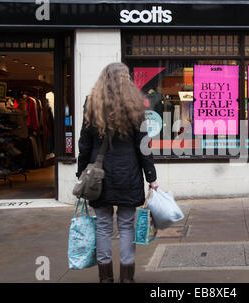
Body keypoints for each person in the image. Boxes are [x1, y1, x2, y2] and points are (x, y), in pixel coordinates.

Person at [76, 62, 159, 283]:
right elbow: (144, 146)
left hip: (98, 175)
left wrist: (81, 170)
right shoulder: (135, 105)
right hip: (128, 173)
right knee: (125, 225)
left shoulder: (91, 104)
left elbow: (84, 144)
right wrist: (151, 177)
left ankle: (105, 278)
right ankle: (127, 277)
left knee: (102, 225)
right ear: (126, 80)